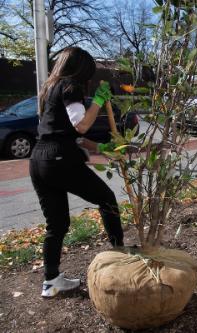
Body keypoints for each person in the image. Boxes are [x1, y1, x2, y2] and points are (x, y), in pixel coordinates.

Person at [30, 47, 124, 297]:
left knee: (57, 223)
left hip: (39, 159)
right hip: (59, 160)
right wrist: (99, 102)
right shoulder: (71, 86)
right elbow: (81, 126)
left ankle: (50, 281)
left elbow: (64, 134)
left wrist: (101, 147)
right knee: (107, 199)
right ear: (81, 69)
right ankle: (121, 252)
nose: (88, 80)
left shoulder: (48, 88)